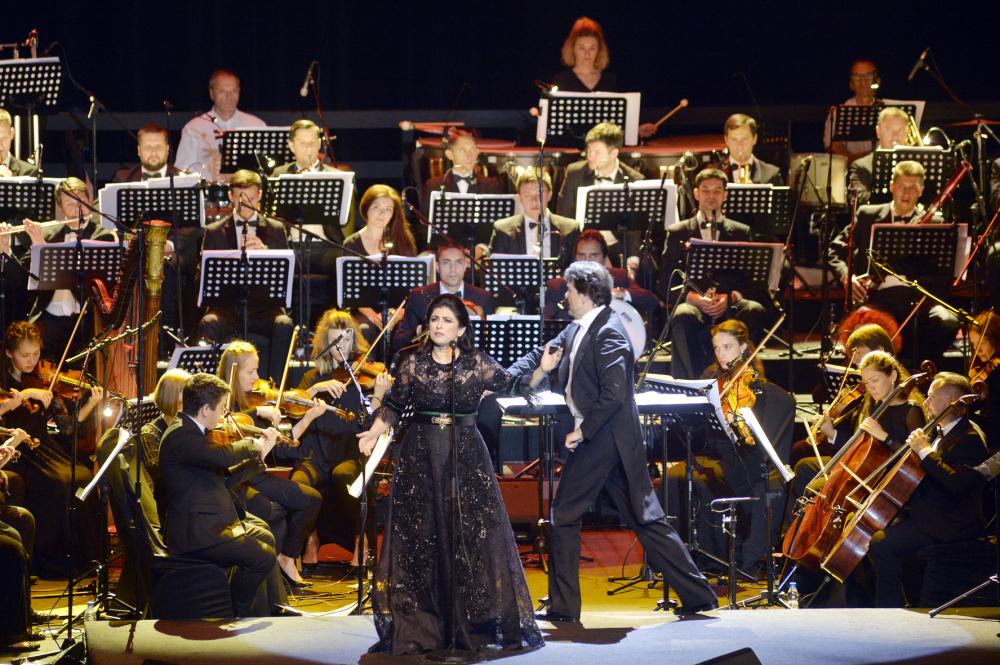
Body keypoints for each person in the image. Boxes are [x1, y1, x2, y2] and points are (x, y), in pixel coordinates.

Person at [511, 261, 717, 621]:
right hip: (608, 440)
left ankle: (563, 608)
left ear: (585, 293)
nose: (565, 297)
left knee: (564, 515)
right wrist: (502, 377)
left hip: (605, 437)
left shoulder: (610, 333)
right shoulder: (578, 328)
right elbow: (539, 356)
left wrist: (583, 430)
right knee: (644, 517)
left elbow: (614, 393)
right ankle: (699, 595)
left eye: (569, 290)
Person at [356, 293, 542, 655]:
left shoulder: (476, 363)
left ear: (460, 330)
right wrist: (373, 433)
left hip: (465, 454)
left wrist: (543, 369)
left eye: (447, 320)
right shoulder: (412, 363)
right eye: (435, 319)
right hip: (421, 455)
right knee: (423, 534)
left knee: (466, 534)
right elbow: (394, 406)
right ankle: (424, 623)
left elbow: (514, 384)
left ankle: (468, 620)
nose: (439, 326)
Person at [158, 372, 280, 617]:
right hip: (195, 533)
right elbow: (221, 457)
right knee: (262, 557)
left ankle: (270, 609)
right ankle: (234, 611)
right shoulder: (182, 435)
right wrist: (251, 444)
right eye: (222, 407)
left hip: (208, 522)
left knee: (266, 538)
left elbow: (224, 479)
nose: (224, 413)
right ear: (205, 409)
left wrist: (260, 454)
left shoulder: (194, 432)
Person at [868, 372, 989, 607]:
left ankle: (890, 609)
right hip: (927, 513)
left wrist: (924, 451)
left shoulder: (970, 438)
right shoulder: (936, 430)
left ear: (951, 401)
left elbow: (956, 484)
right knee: (876, 531)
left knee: (881, 544)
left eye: (932, 397)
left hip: (950, 523)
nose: (925, 402)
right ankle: (905, 599)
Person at [0, 321, 104, 577]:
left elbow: (67, 427)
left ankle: (84, 559)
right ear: (9, 353)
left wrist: (92, 403)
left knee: (83, 477)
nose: (32, 361)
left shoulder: (43, 380)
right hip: (17, 451)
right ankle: (53, 563)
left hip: (44, 446)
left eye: (36, 354)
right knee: (60, 484)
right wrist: (27, 394)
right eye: (25, 355)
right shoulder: (4, 383)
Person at [829, 160, 958, 366]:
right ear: (891, 186)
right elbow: (834, 250)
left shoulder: (935, 222)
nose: (906, 193)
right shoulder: (867, 215)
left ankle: (919, 371)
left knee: (947, 322)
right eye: (901, 186)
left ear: (921, 190)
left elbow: (941, 273)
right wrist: (847, 277)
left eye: (913, 188)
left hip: (917, 298)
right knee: (868, 329)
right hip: (878, 297)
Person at [217, 341, 323, 588]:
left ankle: (287, 557)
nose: (257, 377)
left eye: (257, 370)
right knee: (277, 507)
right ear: (234, 372)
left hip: (257, 475)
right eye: (251, 371)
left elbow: (285, 447)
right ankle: (268, 572)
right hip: (238, 479)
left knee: (311, 499)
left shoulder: (256, 402)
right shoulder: (222, 402)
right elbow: (228, 433)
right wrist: (257, 414)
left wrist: (308, 417)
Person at [292, 309, 391, 569]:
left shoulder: (363, 378)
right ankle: (311, 537)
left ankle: (361, 539)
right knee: (299, 483)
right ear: (325, 343)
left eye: (346, 340)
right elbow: (293, 408)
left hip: (351, 451)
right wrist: (315, 389)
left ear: (354, 340)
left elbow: (371, 423)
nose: (341, 347)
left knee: (344, 475)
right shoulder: (313, 378)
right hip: (317, 453)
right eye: (335, 341)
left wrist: (379, 394)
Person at [695, 320, 794, 574]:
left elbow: (759, 436)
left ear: (743, 347)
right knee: (695, 477)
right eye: (717, 348)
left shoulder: (754, 385)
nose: (721, 354)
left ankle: (749, 561)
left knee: (762, 484)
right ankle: (710, 558)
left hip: (747, 457)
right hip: (720, 454)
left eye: (727, 347)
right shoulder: (711, 378)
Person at [659, 168, 768, 379]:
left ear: (725, 195)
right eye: (706, 190)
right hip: (695, 303)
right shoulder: (678, 231)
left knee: (754, 309)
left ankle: (740, 378)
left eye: (717, 190)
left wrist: (731, 297)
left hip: (729, 303)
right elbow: (664, 281)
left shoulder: (741, 231)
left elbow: (753, 281)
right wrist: (693, 298)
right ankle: (693, 384)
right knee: (682, 314)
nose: (711, 195)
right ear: (696, 194)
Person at [793, 350, 926, 504]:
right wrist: (831, 432)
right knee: (810, 484)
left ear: (893, 376)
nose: (870, 388)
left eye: (874, 380)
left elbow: (916, 458)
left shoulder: (912, 411)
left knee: (816, 488)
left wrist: (884, 437)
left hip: (889, 480)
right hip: (867, 471)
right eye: (866, 382)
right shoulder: (876, 406)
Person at [197, 169, 294, 379]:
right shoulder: (214, 231)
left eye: (251, 198)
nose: (246, 204)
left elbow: (287, 275)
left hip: (264, 308)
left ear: (259, 196)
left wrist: (266, 253)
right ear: (231, 197)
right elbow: (201, 279)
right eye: (240, 199)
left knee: (284, 324)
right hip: (228, 309)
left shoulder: (276, 228)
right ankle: (210, 386)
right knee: (208, 322)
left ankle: (275, 388)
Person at [20, 178, 116, 360]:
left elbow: (82, 277)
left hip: (84, 321)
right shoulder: (48, 234)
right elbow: (22, 276)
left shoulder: (102, 235)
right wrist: (8, 247)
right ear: (61, 209)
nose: (77, 208)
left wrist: (43, 246)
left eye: (81, 201)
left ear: (90, 201)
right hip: (49, 319)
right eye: (70, 204)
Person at [343, 184, 418, 346]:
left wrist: (396, 316)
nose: (382, 214)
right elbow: (350, 290)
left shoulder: (403, 241)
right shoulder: (351, 243)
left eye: (388, 209)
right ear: (366, 209)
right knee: (366, 329)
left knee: (406, 331)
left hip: (397, 310)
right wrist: (373, 316)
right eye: (376, 207)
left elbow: (412, 289)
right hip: (364, 309)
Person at [393, 240, 494, 353]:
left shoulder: (483, 297)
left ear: (466, 265)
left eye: (458, 262)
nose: (453, 269)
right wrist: (419, 332)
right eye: (446, 262)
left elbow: (490, 342)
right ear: (437, 266)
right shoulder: (419, 296)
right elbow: (398, 342)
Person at [543, 229, 658, 321]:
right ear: (575, 257)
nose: (587, 260)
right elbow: (546, 326)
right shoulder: (556, 287)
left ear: (604, 257)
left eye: (593, 255)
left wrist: (620, 293)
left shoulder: (619, 277)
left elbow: (651, 301)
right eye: (581, 255)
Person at [174, 69, 265, 183]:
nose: (229, 96)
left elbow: (266, 169)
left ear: (239, 92)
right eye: (222, 91)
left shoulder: (256, 125)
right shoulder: (193, 128)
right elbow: (183, 169)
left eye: (233, 91)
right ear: (212, 94)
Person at [556, 122, 644, 223]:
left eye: (597, 152)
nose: (590, 156)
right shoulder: (574, 173)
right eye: (589, 150)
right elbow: (563, 219)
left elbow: (636, 226)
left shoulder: (635, 180)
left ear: (613, 154)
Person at [489, 170, 578, 260]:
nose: (534, 201)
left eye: (539, 194)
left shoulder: (570, 229)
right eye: (527, 195)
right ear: (520, 198)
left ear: (550, 195)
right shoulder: (502, 230)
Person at [422, 131, 503, 212]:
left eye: (472, 150)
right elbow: (426, 218)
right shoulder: (433, 186)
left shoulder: (491, 185)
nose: (469, 156)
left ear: (477, 152)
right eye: (462, 151)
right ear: (449, 154)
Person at [847, 106, 912, 205]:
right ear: (878, 132)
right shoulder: (860, 166)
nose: (895, 136)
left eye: (900, 130)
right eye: (888, 130)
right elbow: (860, 200)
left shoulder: (916, 165)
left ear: (907, 132)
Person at [823, 60, 880, 162]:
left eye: (868, 76)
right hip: (847, 168)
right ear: (851, 84)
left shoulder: (888, 111)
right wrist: (864, 159)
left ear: (877, 82)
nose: (863, 82)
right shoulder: (837, 113)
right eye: (857, 77)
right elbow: (833, 148)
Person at [551, 17, 616, 93]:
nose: (587, 53)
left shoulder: (610, 81)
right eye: (581, 48)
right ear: (573, 49)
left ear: (599, 50)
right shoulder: (561, 80)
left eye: (592, 48)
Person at [718, 114, 783, 186]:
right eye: (734, 140)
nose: (739, 145)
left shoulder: (771, 174)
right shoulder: (714, 172)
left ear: (754, 139)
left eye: (744, 139)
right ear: (726, 140)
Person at [967, 310, 1000, 450]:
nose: (977, 350)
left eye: (982, 343)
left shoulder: (996, 372)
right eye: (974, 344)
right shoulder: (982, 369)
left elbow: (973, 406)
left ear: (995, 340)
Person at [112, 124, 184, 183]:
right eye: (148, 148)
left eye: (158, 147)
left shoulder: (184, 179)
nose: (153, 152)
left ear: (167, 150)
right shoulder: (122, 178)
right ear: (139, 151)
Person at [0, 109, 38, 177]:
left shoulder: (30, 172)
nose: (0, 146)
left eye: (4, 138)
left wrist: (10, 180)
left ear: (12, 133)